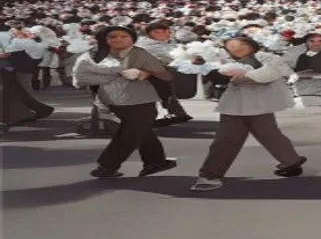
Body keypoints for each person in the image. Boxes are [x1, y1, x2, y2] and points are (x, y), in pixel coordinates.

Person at [191, 36, 306, 191]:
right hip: (234, 106)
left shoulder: (266, 58)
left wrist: (244, 76)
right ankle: (210, 175)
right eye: (231, 46)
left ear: (251, 45)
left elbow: (270, 74)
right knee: (226, 140)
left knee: (271, 136)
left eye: (240, 45)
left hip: (259, 105)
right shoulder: (223, 60)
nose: (236, 48)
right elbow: (211, 71)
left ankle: (291, 161)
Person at [72, 26, 177, 179]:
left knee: (140, 129)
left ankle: (156, 161)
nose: (119, 39)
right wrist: (117, 74)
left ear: (132, 39)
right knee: (133, 131)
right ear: (104, 39)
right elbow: (80, 79)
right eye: (113, 37)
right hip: (126, 99)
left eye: (124, 36)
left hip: (132, 98)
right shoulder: (94, 56)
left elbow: (163, 74)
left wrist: (144, 73)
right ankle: (107, 166)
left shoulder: (138, 53)